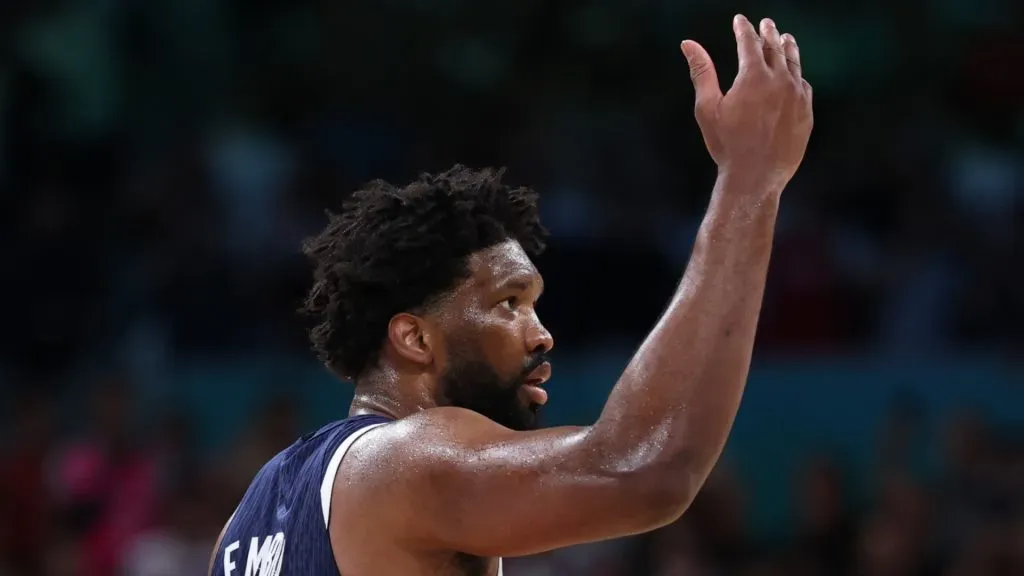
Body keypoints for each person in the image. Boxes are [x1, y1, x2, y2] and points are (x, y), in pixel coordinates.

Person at [209, 14, 814, 576]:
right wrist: (749, 182)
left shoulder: (245, 524)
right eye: (509, 303)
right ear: (415, 337)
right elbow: (644, 468)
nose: (541, 333)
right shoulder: (405, 462)